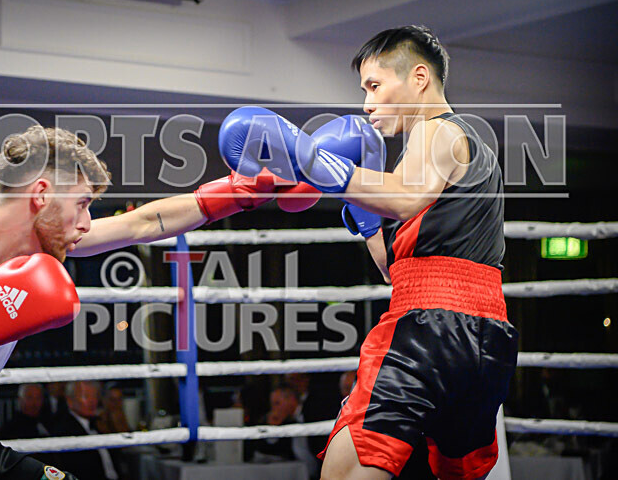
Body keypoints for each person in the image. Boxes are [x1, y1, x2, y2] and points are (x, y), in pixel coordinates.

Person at [0, 125, 320, 479]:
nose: (85, 223)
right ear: (40, 194)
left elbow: (143, 223)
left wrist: (237, 194)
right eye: (81, 204)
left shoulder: (41, 249)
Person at [219, 25, 518, 480]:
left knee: (344, 472)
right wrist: (368, 221)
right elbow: (400, 271)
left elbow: (403, 199)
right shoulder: (465, 155)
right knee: (453, 474)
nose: (367, 103)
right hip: (486, 338)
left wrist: (307, 156)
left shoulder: (436, 131)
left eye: (375, 86)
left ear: (419, 78)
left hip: (426, 331)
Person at [49, 381, 119, 480]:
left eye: (95, 396)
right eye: (85, 396)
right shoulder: (65, 431)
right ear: (70, 401)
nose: (92, 401)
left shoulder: (99, 423)